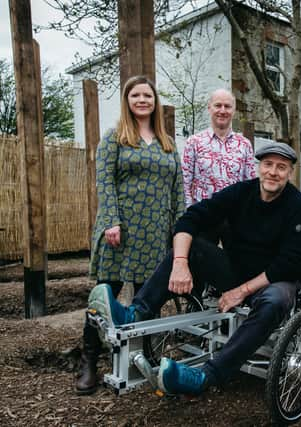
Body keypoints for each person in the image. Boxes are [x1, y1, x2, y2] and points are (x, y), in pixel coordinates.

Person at [86, 141, 301, 396]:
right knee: (190, 247)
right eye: (268, 164)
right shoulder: (240, 193)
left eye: (281, 167)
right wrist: (180, 264)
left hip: (274, 280)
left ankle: (208, 375)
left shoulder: (299, 207)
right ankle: (135, 314)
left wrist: (241, 292)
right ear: (258, 167)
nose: (273, 172)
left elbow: (292, 263)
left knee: (274, 301)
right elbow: (191, 218)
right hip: (236, 271)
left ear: (290, 173)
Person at [75, 75, 184, 395]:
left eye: (147, 95)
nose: (142, 100)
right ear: (128, 100)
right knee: (104, 296)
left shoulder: (167, 144)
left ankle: (143, 356)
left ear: (155, 101)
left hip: (154, 235)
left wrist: (180, 228)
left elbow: (178, 191)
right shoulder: (114, 139)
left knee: (147, 300)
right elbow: (104, 184)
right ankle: (89, 360)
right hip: (119, 233)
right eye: (135, 95)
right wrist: (111, 221)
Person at [182, 89, 256, 207]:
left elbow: (250, 186)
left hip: (234, 218)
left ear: (234, 111)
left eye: (227, 106)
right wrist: (189, 216)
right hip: (202, 217)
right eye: (218, 105)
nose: (222, 110)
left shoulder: (244, 145)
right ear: (209, 108)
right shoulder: (193, 142)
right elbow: (185, 184)